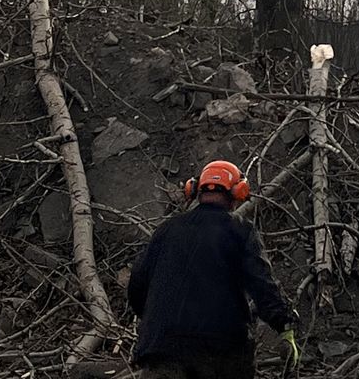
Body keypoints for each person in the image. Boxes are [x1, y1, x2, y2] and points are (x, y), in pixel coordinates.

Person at [128, 159, 299, 379]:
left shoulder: (166, 230)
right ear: (238, 191)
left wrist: (158, 322)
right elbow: (261, 284)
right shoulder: (239, 230)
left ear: (194, 189)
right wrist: (284, 325)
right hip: (220, 353)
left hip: (161, 352)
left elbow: (137, 286)